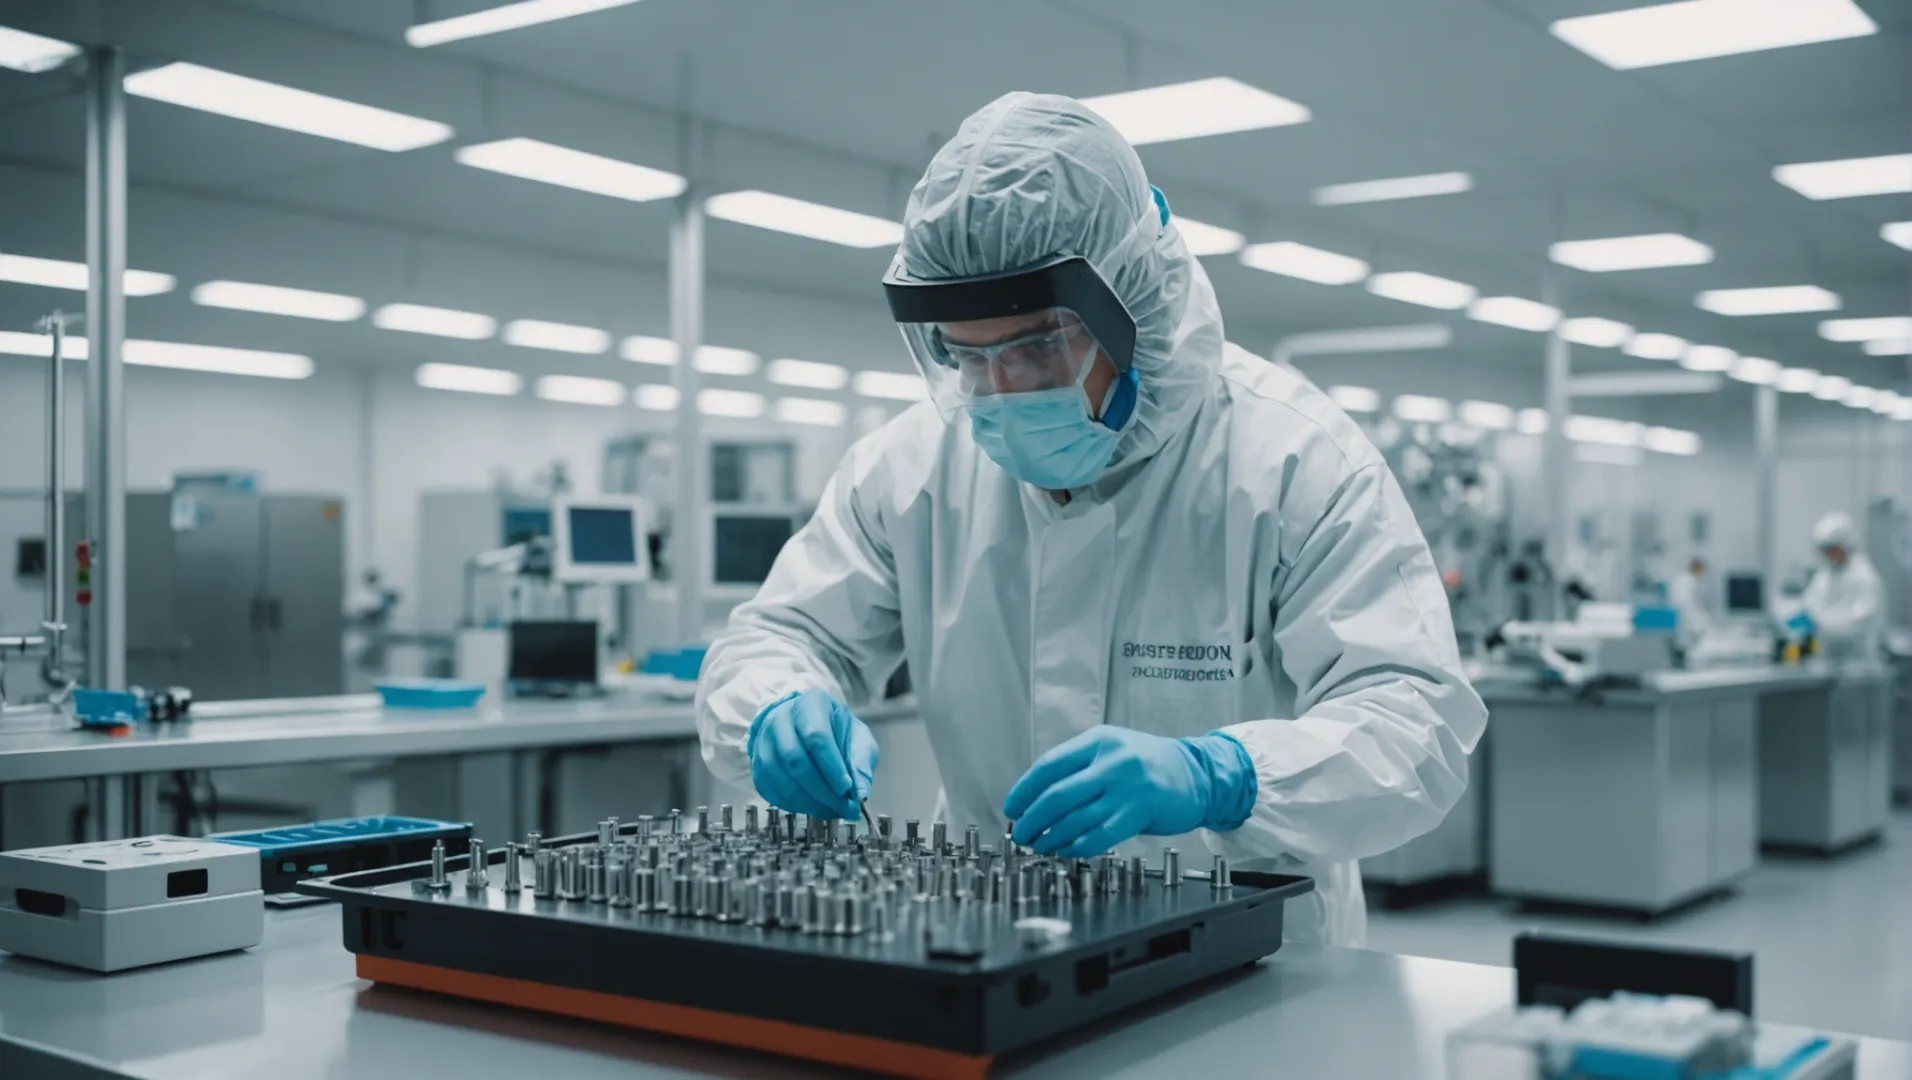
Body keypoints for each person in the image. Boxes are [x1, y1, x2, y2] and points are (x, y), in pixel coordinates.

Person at [694, 92, 1487, 946]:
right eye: (968, 355)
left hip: (1252, 962)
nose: (1002, 392)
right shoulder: (912, 468)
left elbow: (1417, 723)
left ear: (1132, 308)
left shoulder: (1294, 461)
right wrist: (778, 706)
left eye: (1037, 346)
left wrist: (1224, 775)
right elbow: (778, 636)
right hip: (992, 944)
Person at [1799, 512, 1884, 658]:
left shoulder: (1864, 577)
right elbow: (1810, 604)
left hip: (1858, 662)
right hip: (1827, 657)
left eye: (1832, 548)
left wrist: (1822, 624)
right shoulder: (1825, 575)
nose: (1828, 554)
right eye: (1824, 550)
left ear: (1845, 544)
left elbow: (1859, 621)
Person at [1667, 556, 1710, 638]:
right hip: (1685, 623)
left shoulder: (1682, 578)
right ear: (1698, 569)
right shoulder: (1689, 581)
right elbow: (1688, 605)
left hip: (1680, 621)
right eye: (1701, 572)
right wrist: (1701, 621)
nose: (1702, 575)